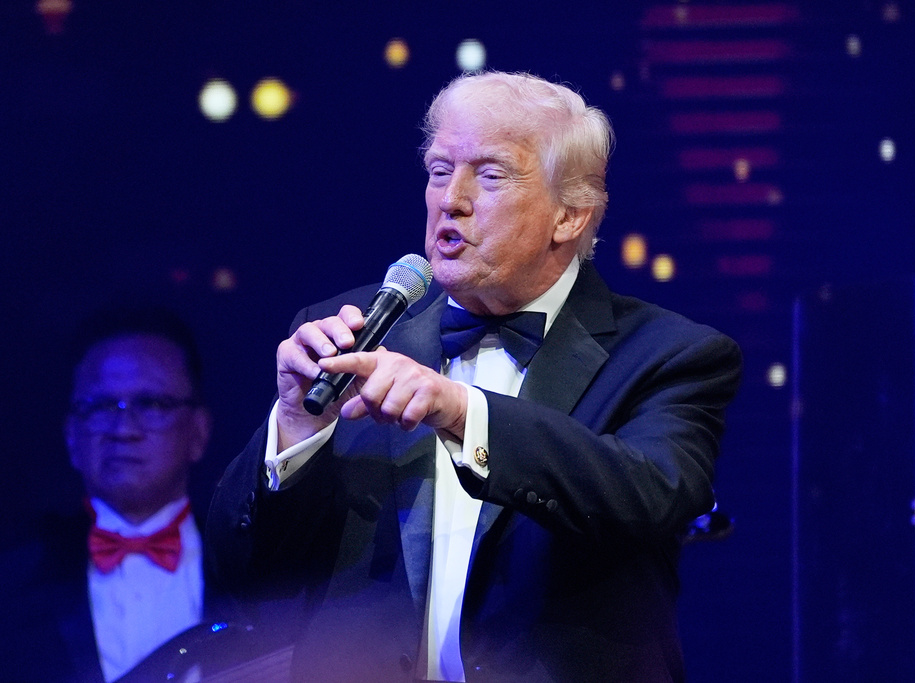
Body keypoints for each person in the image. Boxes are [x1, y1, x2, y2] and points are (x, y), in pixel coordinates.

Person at [206, 71, 743, 682]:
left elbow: (652, 495)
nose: (450, 199)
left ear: (569, 216)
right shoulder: (346, 334)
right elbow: (240, 576)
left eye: (489, 175)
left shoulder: (671, 354)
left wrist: (465, 412)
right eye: (439, 170)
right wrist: (298, 428)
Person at [0, 307, 213, 683]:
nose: (123, 429)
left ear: (198, 431)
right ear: (70, 436)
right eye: (99, 407)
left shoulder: (255, 563)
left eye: (151, 404)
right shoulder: (12, 584)